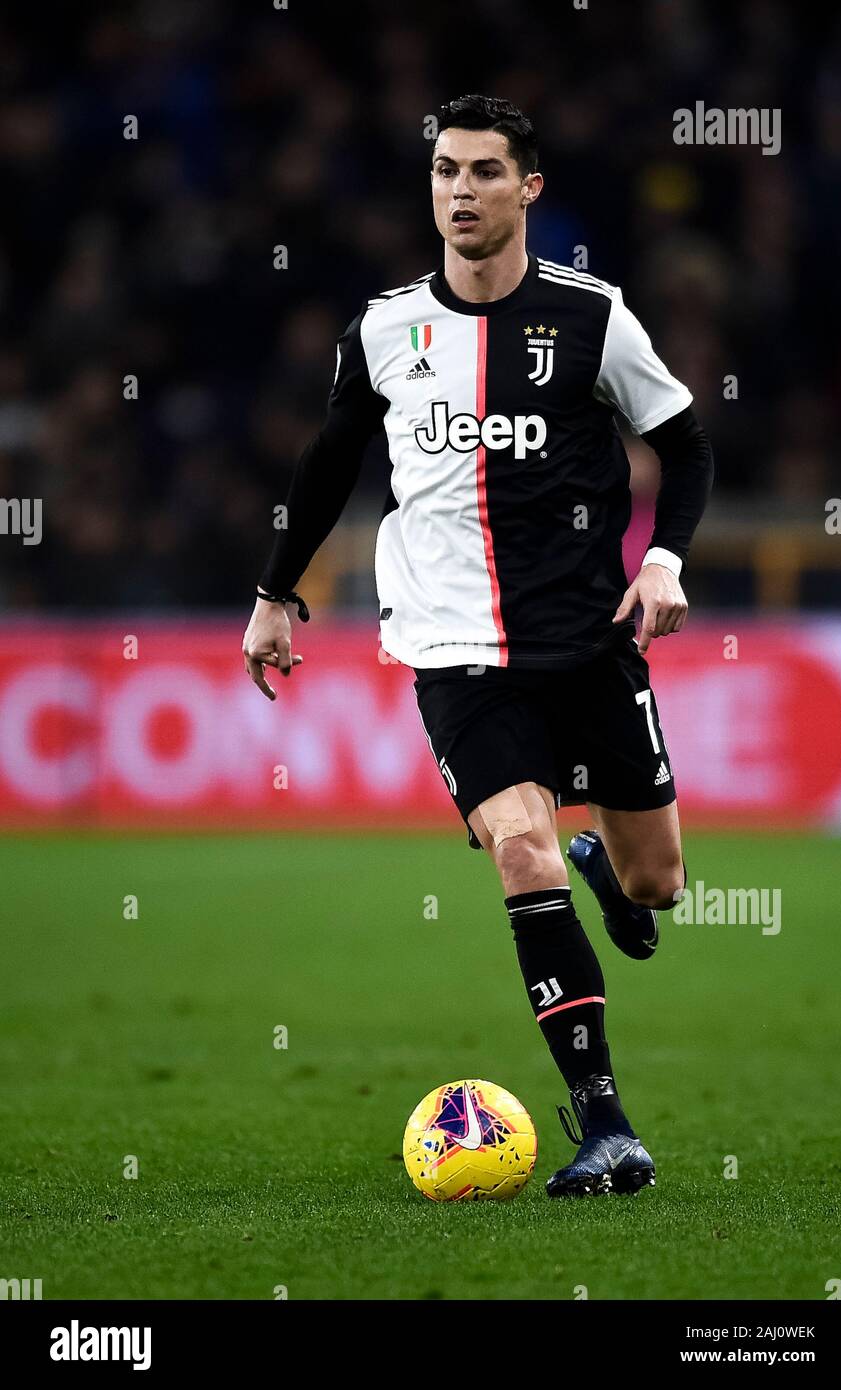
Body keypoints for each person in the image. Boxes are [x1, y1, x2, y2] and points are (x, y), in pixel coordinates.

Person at [242, 94, 713, 1197]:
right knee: (518, 849)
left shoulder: (595, 319)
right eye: (445, 171)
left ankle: (605, 865)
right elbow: (326, 463)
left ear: (527, 190)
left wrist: (665, 560)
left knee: (658, 886)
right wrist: (273, 593)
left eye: (485, 172)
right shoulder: (383, 329)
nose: (460, 191)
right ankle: (605, 1125)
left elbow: (684, 447)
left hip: (588, 638)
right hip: (452, 647)